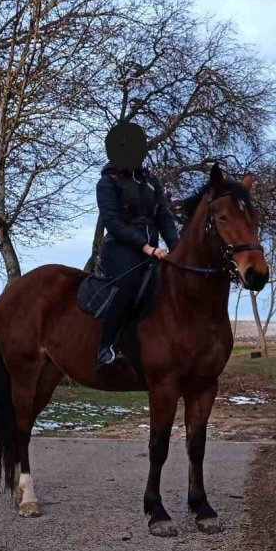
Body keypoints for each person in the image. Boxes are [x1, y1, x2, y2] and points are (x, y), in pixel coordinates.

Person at [94, 121, 179, 369]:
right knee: (128, 284)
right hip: (120, 248)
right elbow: (113, 222)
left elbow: (164, 216)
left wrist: (177, 247)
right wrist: (146, 247)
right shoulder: (108, 183)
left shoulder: (152, 181)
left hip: (151, 249)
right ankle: (105, 348)